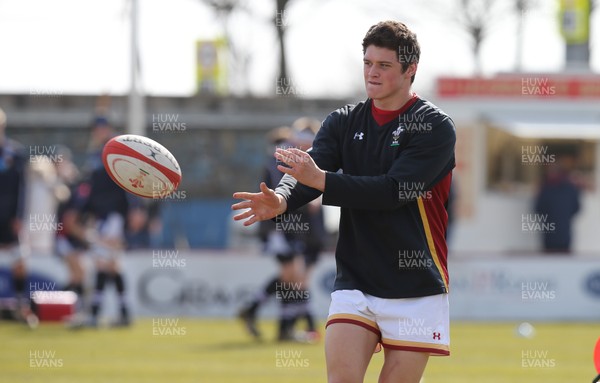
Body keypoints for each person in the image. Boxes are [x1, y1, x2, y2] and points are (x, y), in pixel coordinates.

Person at [232, 21, 455, 383]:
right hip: (356, 279)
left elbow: (392, 192)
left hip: (415, 285)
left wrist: (320, 180)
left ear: (411, 70)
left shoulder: (434, 127)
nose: (372, 72)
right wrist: (283, 200)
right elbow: (309, 171)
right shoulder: (342, 122)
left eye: (384, 65)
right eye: (368, 63)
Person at [0, 107, 38, 328]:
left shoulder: (16, 153)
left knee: (20, 262)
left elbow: (23, 189)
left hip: (9, 217)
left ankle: (21, 306)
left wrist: (19, 217)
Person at [534, 155, 581, 254]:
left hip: (556, 232)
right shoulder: (569, 187)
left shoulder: (546, 187)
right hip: (558, 232)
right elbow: (576, 208)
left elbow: (538, 209)